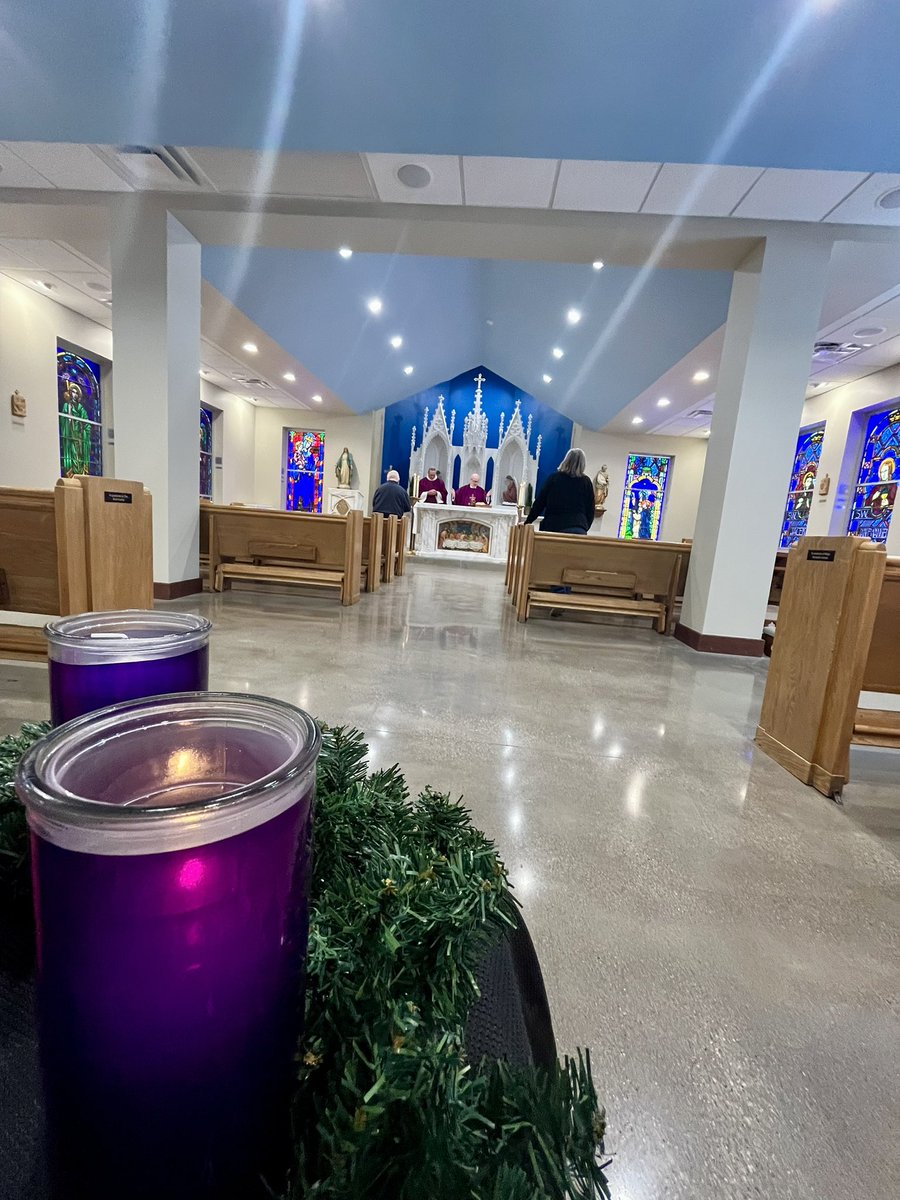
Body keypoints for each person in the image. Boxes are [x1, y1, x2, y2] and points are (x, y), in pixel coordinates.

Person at [525, 448, 595, 534]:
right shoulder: (586, 482)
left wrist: (527, 522)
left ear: (566, 460)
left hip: (554, 526)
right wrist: (584, 526)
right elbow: (591, 510)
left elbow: (540, 503)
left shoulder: (554, 478)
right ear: (583, 464)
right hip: (578, 527)